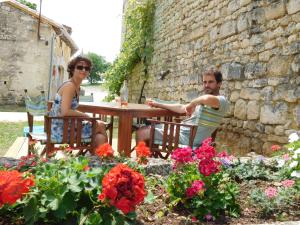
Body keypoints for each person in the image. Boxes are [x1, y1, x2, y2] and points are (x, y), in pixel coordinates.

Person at [136, 69, 229, 148]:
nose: (206, 85)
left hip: (187, 138)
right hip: (182, 132)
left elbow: (206, 98)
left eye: (211, 82)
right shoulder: (204, 102)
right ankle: (148, 161)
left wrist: (192, 104)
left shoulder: (221, 101)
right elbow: (181, 108)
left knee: (142, 132)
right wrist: (159, 104)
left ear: (219, 84)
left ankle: (141, 164)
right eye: (204, 82)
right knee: (148, 128)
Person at [49, 56, 108, 153]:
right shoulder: (70, 86)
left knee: (99, 135)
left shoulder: (76, 86)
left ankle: (99, 158)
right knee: (100, 125)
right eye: (80, 67)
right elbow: (65, 111)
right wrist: (85, 115)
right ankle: (105, 157)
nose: (84, 70)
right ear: (72, 69)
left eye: (87, 68)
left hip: (66, 125)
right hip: (60, 130)